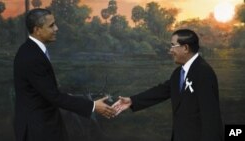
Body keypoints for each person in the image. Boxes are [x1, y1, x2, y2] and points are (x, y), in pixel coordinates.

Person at [13, 8, 116, 141]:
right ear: (37, 30)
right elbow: (54, 97)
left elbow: (45, 92)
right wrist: (93, 106)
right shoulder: (32, 56)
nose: (56, 28)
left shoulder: (32, 50)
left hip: (42, 126)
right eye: (51, 26)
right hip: (38, 130)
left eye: (55, 24)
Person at [112, 29, 224, 141]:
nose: (170, 51)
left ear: (185, 48)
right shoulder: (178, 73)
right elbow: (161, 91)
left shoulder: (204, 72)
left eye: (173, 46)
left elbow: (211, 117)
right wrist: (132, 101)